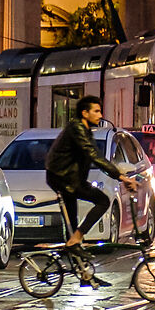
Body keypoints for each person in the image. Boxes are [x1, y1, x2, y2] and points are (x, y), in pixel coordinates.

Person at [45, 95, 128, 288]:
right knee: (103, 201)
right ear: (85, 113)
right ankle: (77, 239)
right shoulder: (76, 129)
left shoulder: (84, 130)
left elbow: (93, 154)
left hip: (70, 179)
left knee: (72, 228)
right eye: (96, 111)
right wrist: (119, 176)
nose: (100, 115)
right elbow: (93, 155)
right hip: (64, 180)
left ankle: (84, 273)